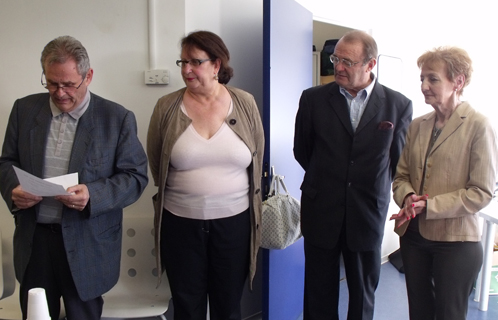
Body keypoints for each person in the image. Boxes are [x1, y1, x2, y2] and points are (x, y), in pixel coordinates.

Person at [0, 35, 148, 320]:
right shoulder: (24, 110)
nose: (59, 92)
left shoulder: (116, 118)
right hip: (36, 242)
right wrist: (12, 189)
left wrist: (93, 194)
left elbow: (135, 178)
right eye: (51, 82)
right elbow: (6, 161)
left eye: (68, 84)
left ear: (88, 76)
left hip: (88, 243)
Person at [293, 30, 413, 320]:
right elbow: (302, 150)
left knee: (361, 294)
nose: (339, 67)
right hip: (321, 209)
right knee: (318, 293)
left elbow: (398, 162)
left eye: (347, 61)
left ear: (370, 65)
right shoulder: (313, 99)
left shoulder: (398, 106)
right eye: (336, 59)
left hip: (366, 213)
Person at [146, 30, 264, 320]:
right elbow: (156, 160)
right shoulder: (166, 107)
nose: (186, 70)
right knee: (187, 306)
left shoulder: (245, 103)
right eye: (182, 62)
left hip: (234, 224)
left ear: (217, 65)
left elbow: (257, 154)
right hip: (180, 224)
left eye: (195, 62)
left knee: (228, 305)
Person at [390, 46, 497, 320]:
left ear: (458, 81)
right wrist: (408, 197)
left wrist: (430, 205)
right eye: (422, 79)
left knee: (450, 314)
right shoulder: (418, 125)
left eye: (433, 79)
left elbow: (481, 192)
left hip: (456, 241)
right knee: (420, 312)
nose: (424, 86)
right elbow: (401, 176)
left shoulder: (478, 126)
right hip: (414, 237)